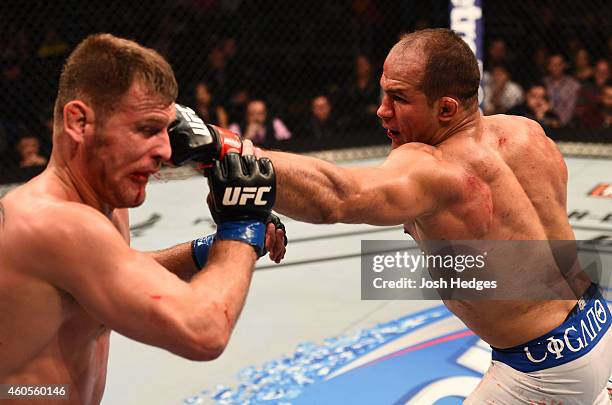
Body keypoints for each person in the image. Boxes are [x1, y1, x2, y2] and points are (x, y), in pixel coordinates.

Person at [241, 29, 611, 403]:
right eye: (384, 92)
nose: (382, 110)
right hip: (597, 323)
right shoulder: (527, 133)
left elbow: (337, 197)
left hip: (542, 372)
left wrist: (230, 153)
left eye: (399, 98)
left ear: (446, 109)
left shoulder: (432, 168)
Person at [0, 33, 286, 405]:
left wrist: (209, 251)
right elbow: (204, 331)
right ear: (79, 121)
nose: (166, 151)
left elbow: (111, 270)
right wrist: (241, 227)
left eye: (167, 131)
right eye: (147, 130)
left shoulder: (105, 206)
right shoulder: (54, 223)